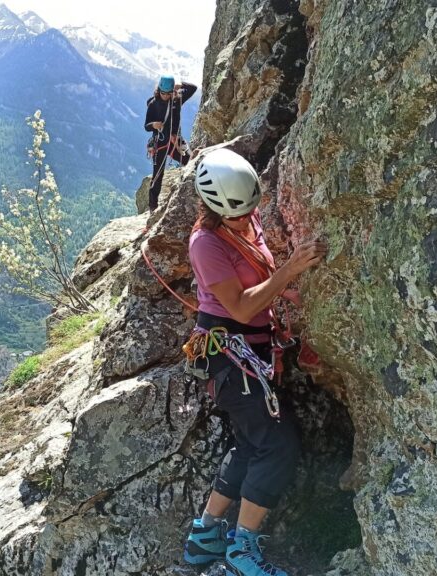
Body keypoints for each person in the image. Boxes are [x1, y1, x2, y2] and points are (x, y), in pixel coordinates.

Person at [182, 149, 327, 576]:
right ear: (212, 208)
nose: (246, 221)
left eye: (249, 213)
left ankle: (205, 535)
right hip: (231, 357)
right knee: (277, 446)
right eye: (236, 217)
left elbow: (255, 273)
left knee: (250, 443)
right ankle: (242, 550)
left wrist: (283, 292)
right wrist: (292, 269)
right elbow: (241, 308)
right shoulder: (205, 242)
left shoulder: (244, 217)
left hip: (251, 355)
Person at [144, 75, 197, 211]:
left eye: (168, 93)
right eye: (163, 93)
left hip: (174, 142)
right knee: (157, 175)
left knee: (191, 162)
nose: (166, 96)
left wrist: (181, 85)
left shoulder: (177, 99)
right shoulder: (153, 104)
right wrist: (154, 125)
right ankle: (152, 207)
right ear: (159, 90)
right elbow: (146, 126)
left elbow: (193, 88)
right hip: (160, 143)